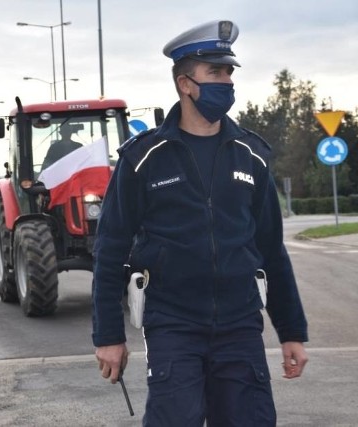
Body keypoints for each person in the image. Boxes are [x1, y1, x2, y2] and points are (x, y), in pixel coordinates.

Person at [92, 20, 308, 426]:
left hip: (240, 325)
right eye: (215, 73)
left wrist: (291, 331)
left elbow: (271, 250)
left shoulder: (251, 155)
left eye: (228, 73)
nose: (226, 82)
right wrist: (108, 336)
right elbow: (110, 250)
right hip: (173, 325)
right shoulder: (144, 158)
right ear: (185, 83)